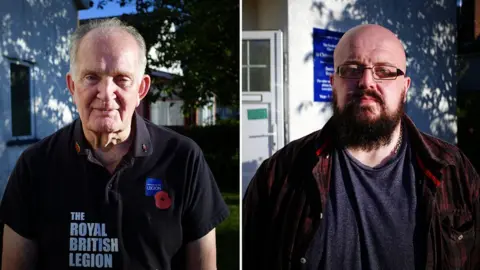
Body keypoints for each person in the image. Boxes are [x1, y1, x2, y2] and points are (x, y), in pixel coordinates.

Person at [243, 24, 480, 270]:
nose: (366, 82)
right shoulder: (281, 173)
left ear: (405, 87)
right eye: (352, 69)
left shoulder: (454, 170)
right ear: (333, 83)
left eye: (385, 71)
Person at [0, 18, 229, 270]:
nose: (106, 93)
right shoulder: (35, 166)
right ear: (72, 86)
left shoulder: (184, 159)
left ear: (141, 88)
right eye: (91, 77)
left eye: (121, 79)